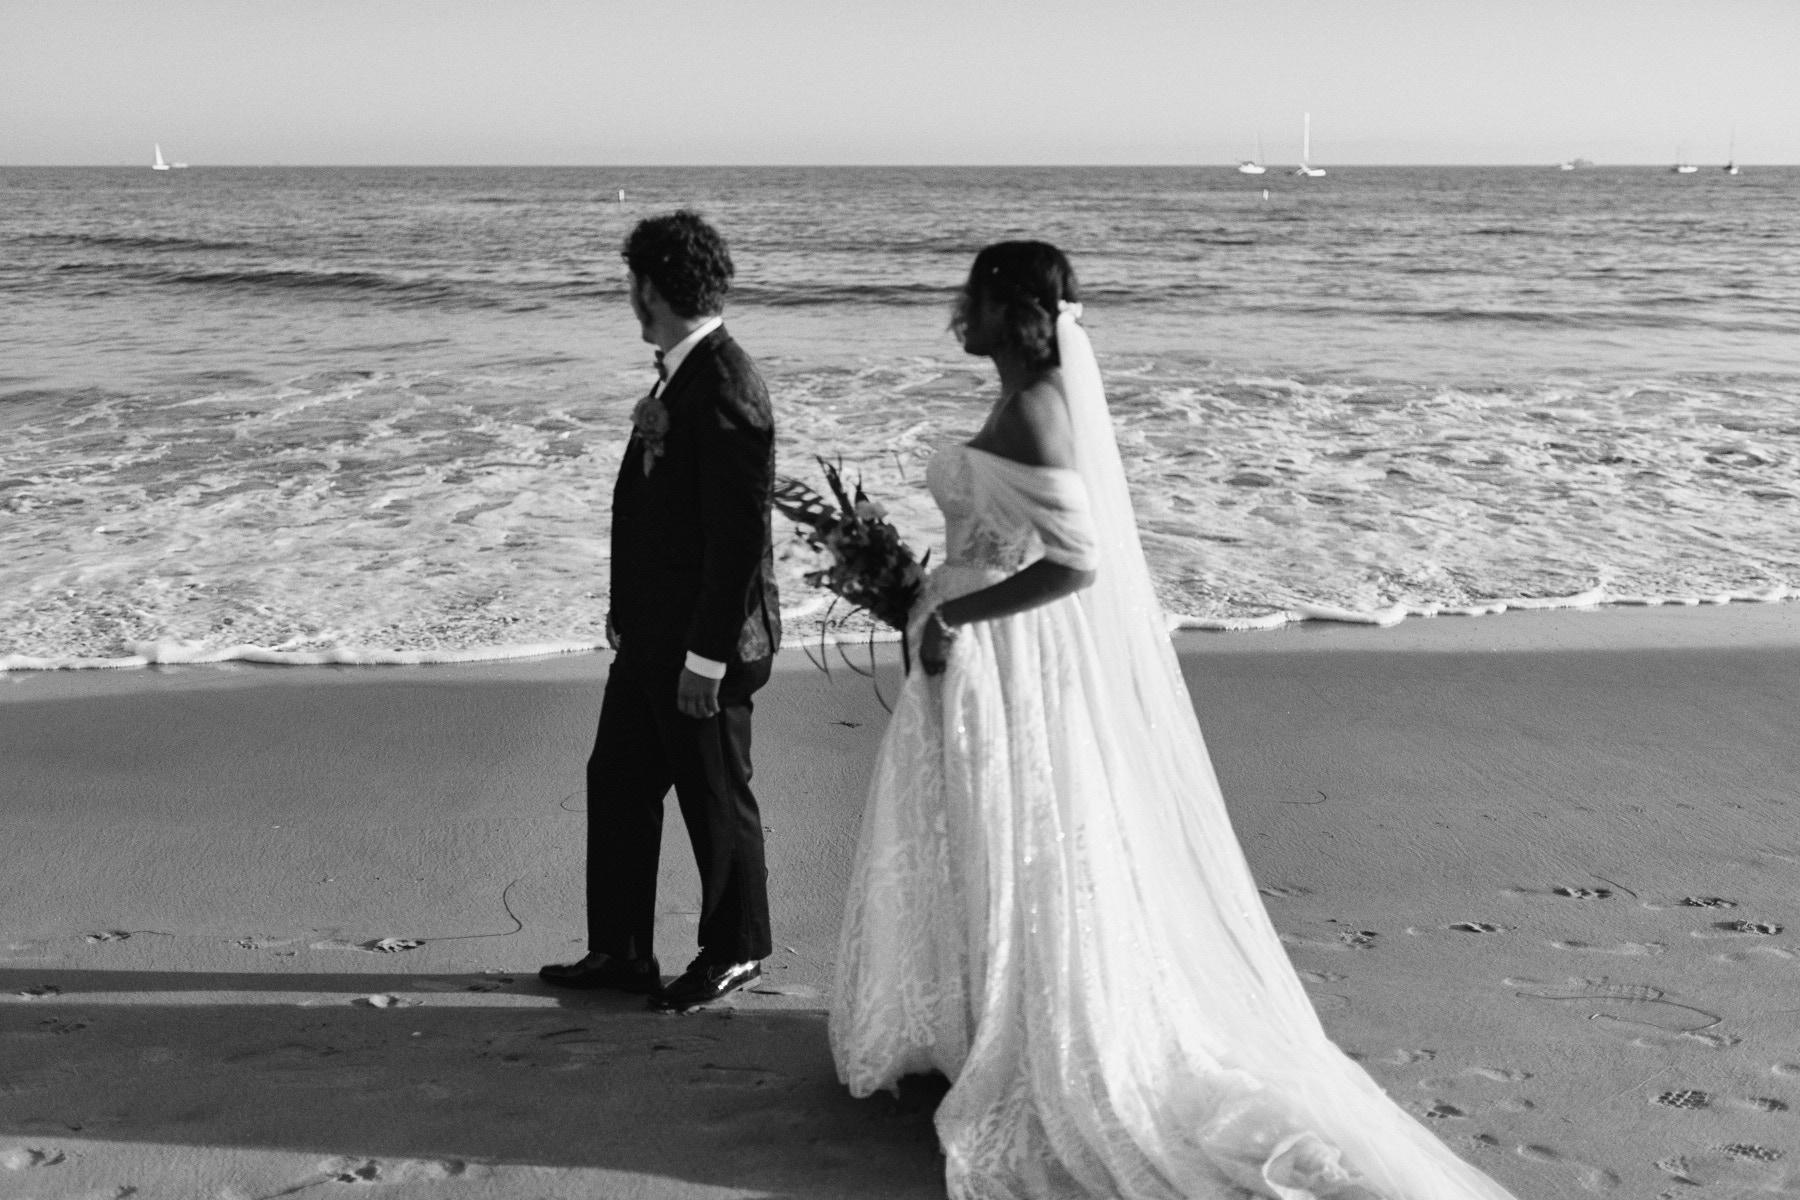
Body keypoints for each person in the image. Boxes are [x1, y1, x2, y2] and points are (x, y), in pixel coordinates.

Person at [829, 242, 1519, 1199]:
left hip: (1005, 654)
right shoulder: (1023, 398)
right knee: (981, 832)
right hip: (981, 650)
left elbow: (1076, 562)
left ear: (1009, 309)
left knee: (1014, 832)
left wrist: (955, 613)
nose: (958, 310)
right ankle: (979, 1018)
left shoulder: (1037, 409)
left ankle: (1024, 1032)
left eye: (972, 296)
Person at [540, 210, 781, 1015]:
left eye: (631, 282)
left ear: (649, 288)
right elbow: (655, 510)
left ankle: (738, 948)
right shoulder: (682, 373)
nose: (629, 297)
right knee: (617, 782)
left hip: (703, 647)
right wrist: (626, 608)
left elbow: (738, 540)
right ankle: (622, 951)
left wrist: (705, 661)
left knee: (715, 795)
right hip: (653, 634)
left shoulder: (726, 384)